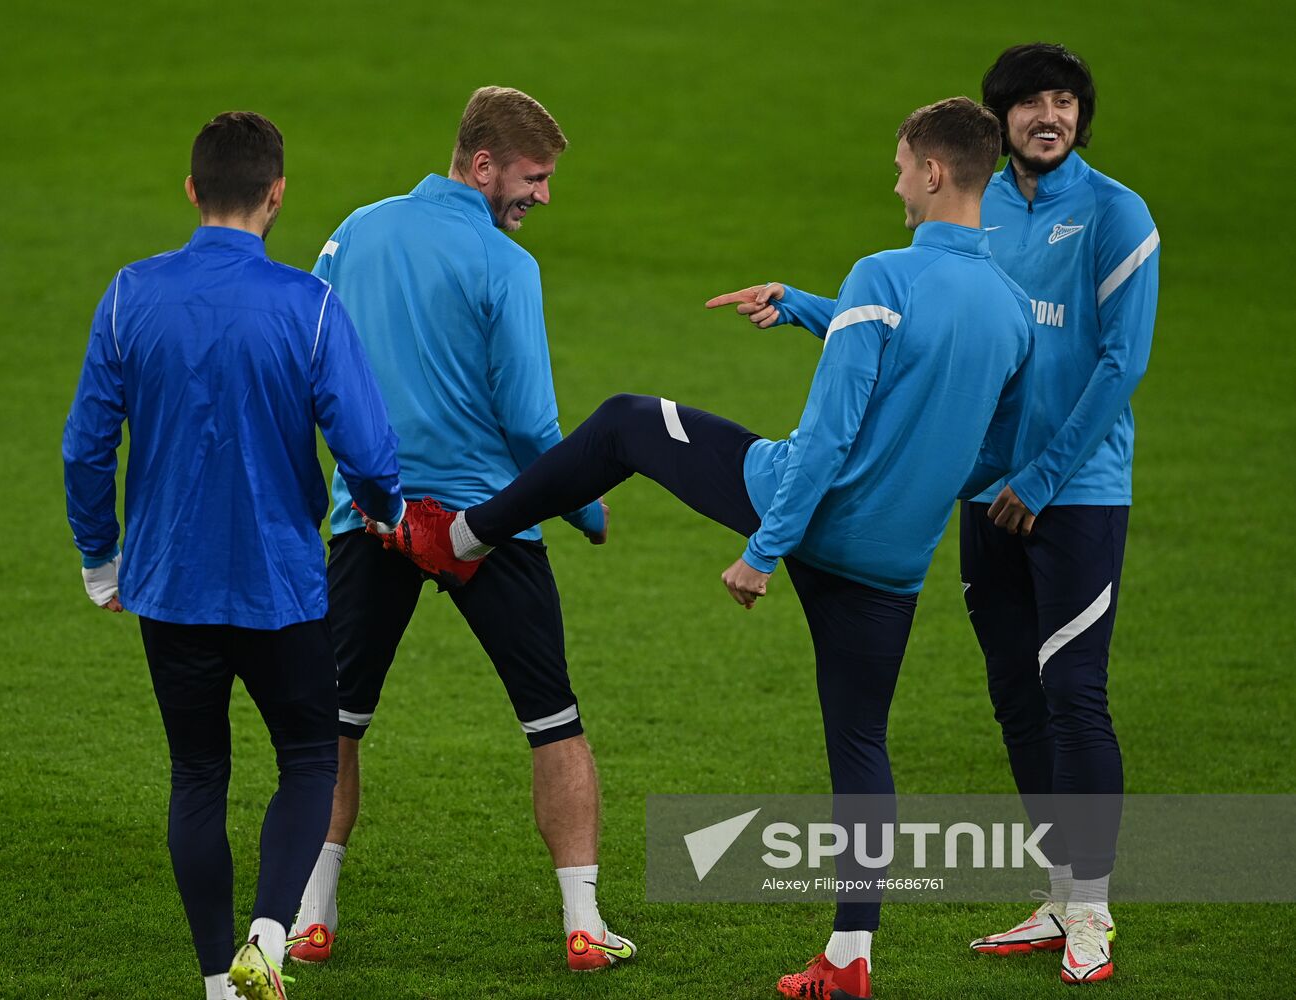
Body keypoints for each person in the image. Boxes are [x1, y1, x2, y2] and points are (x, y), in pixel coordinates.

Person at [373, 97, 1033, 1000]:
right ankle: (851, 958)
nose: (893, 180)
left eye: (898, 164)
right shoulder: (1008, 307)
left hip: (800, 507)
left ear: (931, 172)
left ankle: (459, 534)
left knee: (626, 425)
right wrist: (806, 309)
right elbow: (992, 446)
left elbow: (833, 436)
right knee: (861, 747)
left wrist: (766, 550)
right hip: (893, 561)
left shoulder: (887, 274)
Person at [287, 86, 632, 972]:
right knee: (554, 722)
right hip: (491, 526)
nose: (542, 197)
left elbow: (310, 361)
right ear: (483, 166)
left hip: (369, 517)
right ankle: (583, 923)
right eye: (533, 177)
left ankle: (311, 915)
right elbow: (530, 422)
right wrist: (586, 504)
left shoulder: (354, 230)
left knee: (335, 723)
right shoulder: (508, 266)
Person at [62, 111, 405, 1000]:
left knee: (198, 773)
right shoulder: (309, 305)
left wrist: (101, 560)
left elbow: (83, 448)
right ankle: (268, 933)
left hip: (168, 586)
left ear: (191, 190)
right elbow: (367, 453)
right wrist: (380, 510)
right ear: (277, 194)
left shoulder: (130, 294)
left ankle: (219, 981)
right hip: (281, 589)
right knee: (307, 758)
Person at [961, 44, 1160, 986]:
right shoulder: (980, 209)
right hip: (984, 494)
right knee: (1015, 695)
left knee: (1074, 691)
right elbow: (929, 323)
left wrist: (1039, 479)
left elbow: (1123, 364)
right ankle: (1056, 892)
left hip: (1074, 496)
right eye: (1034, 102)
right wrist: (805, 308)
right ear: (1000, 118)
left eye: (1067, 102)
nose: (1052, 115)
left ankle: (1092, 909)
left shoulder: (1118, 213)